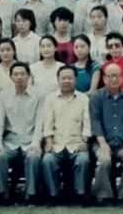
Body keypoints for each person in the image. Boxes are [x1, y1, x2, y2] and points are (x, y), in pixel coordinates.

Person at [0, 62, 45, 204]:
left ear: (28, 76)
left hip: (30, 139)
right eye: (16, 74)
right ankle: (3, 194)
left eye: (22, 74)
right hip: (10, 141)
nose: (19, 77)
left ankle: (31, 194)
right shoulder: (4, 95)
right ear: (11, 77)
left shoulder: (39, 95)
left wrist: (36, 143)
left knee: (33, 156)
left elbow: (40, 122)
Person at [38, 65, 92, 203]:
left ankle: (80, 194)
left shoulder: (84, 98)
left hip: (77, 143)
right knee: (47, 160)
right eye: (63, 78)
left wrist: (84, 141)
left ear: (75, 79)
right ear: (58, 79)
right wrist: (48, 141)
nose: (66, 81)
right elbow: (48, 123)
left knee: (83, 160)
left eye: (70, 78)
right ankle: (53, 195)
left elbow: (87, 123)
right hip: (57, 143)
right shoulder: (50, 98)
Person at [89, 61, 123, 205]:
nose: (114, 79)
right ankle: (104, 196)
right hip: (102, 142)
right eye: (110, 76)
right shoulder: (96, 97)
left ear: (122, 77)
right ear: (104, 79)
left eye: (117, 76)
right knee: (104, 160)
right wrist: (103, 143)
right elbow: (95, 121)